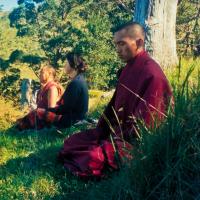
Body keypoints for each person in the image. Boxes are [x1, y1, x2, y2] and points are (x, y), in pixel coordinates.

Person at [57, 22, 173, 178]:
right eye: (116, 44)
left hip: (133, 143)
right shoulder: (127, 69)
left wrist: (119, 139)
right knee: (72, 142)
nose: (117, 49)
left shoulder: (152, 74)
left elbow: (150, 125)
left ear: (138, 42)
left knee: (91, 157)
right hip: (116, 133)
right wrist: (102, 131)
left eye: (121, 43)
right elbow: (114, 106)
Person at [16, 53, 89, 130]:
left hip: (72, 120)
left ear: (73, 65)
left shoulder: (75, 83)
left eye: (66, 63)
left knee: (38, 112)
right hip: (75, 117)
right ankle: (20, 126)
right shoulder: (79, 80)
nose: (64, 65)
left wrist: (49, 111)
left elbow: (66, 109)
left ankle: (18, 128)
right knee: (39, 112)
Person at [16, 65, 63, 130]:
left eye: (42, 72)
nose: (39, 74)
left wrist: (36, 114)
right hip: (40, 117)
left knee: (25, 122)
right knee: (20, 122)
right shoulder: (42, 89)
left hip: (47, 119)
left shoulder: (52, 88)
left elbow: (51, 111)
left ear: (49, 74)